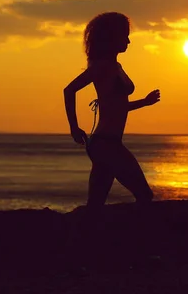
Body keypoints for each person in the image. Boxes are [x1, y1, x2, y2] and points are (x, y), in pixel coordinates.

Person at [63, 12, 160, 212]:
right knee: (144, 195)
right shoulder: (102, 66)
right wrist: (74, 127)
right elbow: (69, 90)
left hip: (106, 143)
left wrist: (144, 102)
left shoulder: (116, 66)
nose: (128, 41)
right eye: (124, 36)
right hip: (106, 144)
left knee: (95, 205)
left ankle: (85, 240)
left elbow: (116, 107)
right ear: (111, 37)